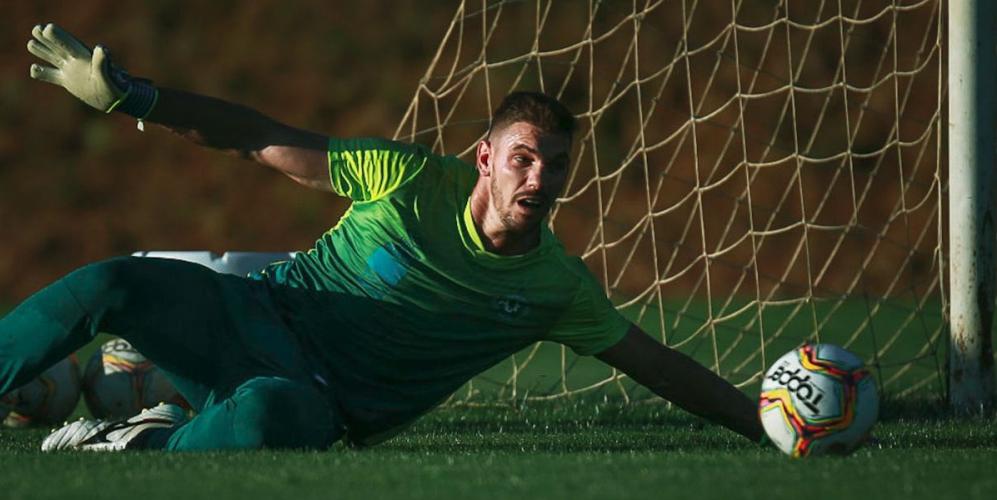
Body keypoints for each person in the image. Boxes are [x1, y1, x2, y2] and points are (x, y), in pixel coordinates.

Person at [2, 23, 764, 451]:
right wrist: (135, 96)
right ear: (486, 160)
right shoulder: (401, 176)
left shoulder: (554, 289)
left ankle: (131, 446)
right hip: (251, 313)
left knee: (270, 418)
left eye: (556, 166)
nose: (539, 179)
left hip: (314, 397)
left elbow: (656, 365)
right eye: (524, 159)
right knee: (111, 282)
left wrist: (763, 426)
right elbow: (256, 137)